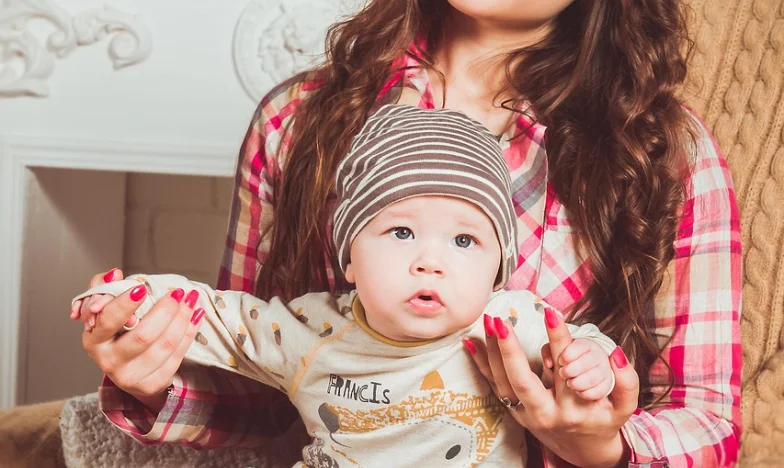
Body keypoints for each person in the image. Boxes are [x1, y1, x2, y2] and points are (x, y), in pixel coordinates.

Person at [71, 0, 742, 466]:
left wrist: (598, 447)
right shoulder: (297, 125)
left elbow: (707, 421)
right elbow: (268, 384)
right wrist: (153, 375)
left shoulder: (663, 152)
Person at [73, 105, 618, 466]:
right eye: (400, 231)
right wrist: (132, 300)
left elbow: (581, 348)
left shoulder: (507, 324)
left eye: (465, 242)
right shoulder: (310, 328)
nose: (431, 262)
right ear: (350, 259)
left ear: (498, 267)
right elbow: (216, 314)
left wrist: (591, 362)